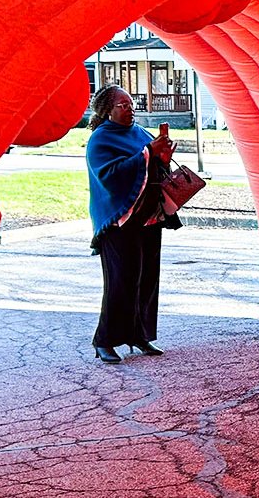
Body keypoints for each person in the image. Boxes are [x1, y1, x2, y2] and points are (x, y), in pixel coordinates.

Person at [85, 84, 181, 364]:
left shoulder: (139, 133)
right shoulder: (100, 141)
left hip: (149, 216)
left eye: (131, 104)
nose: (130, 110)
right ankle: (104, 341)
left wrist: (161, 157)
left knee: (147, 279)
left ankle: (139, 335)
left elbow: (154, 166)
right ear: (107, 111)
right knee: (120, 282)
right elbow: (110, 176)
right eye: (122, 105)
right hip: (119, 221)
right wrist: (146, 154)